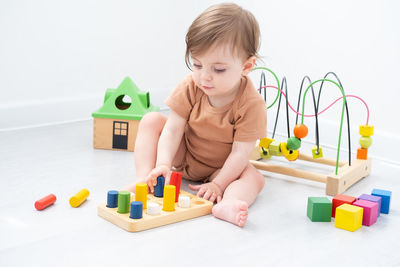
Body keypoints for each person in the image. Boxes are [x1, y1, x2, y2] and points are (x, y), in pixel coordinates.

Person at [126, 3, 267, 227]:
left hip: (222, 168)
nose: (204, 77)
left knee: (255, 177)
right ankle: (144, 179)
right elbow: (173, 130)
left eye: (218, 69)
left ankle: (228, 203)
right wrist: (163, 163)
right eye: (197, 65)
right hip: (185, 154)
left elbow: (241, 153)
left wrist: (219, 184)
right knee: (152, 120)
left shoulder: (251, 104)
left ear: (246, 66)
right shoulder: (191, 86)